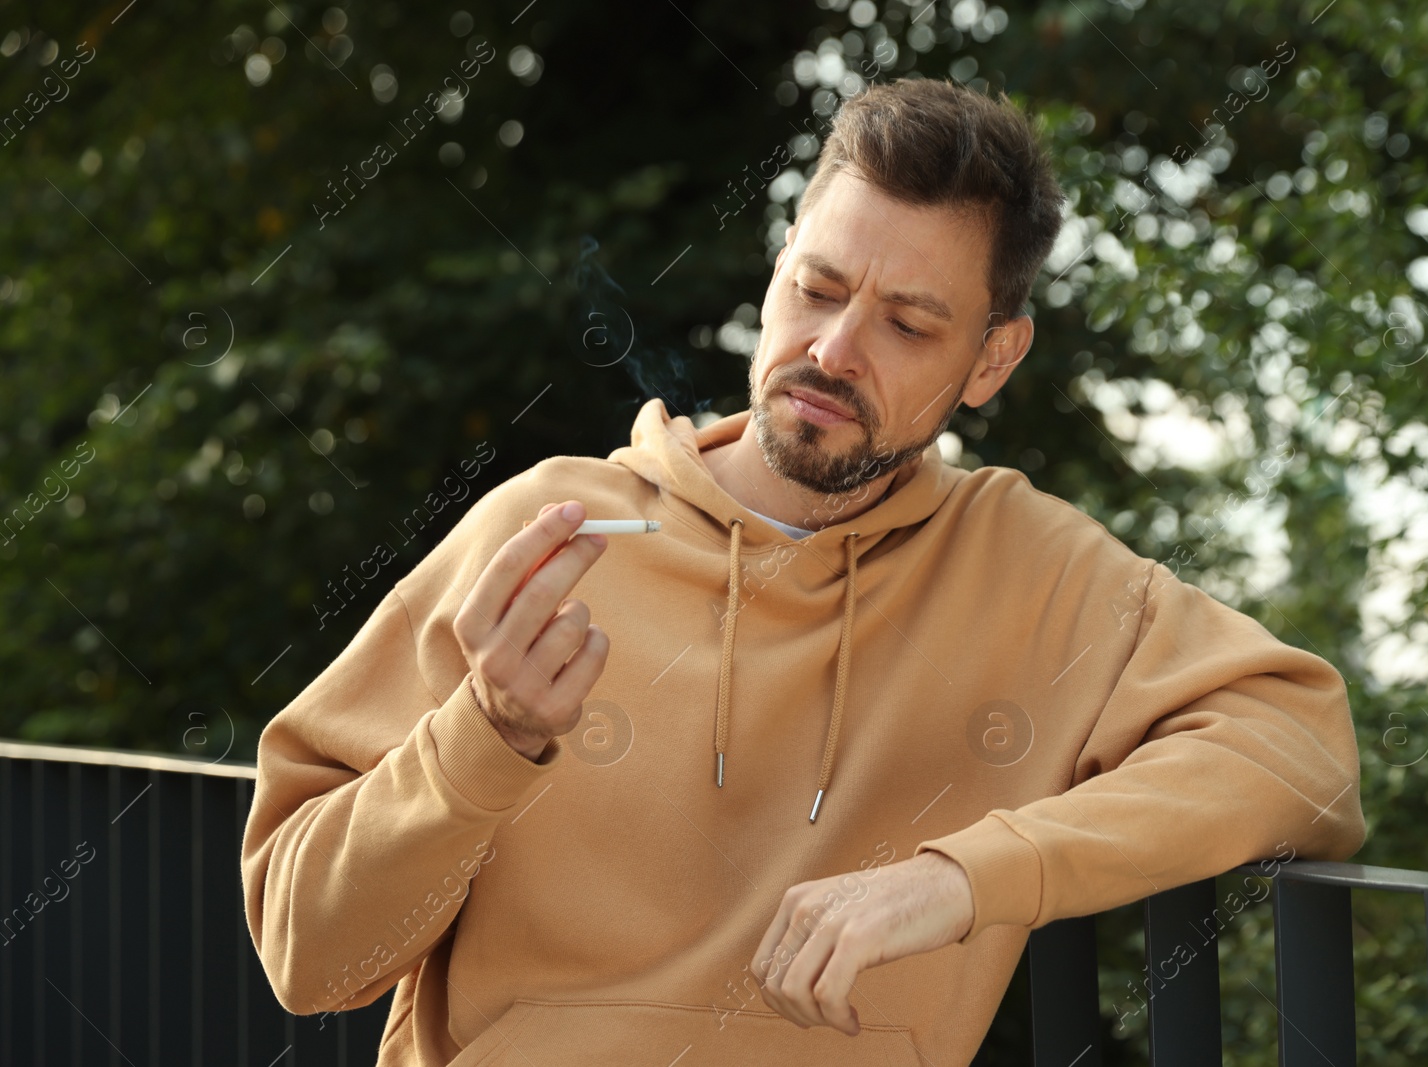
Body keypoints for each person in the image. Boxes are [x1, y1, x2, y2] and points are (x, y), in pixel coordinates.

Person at [241, 77, 1365, 1066]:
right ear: (777, 267)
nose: (833, 348)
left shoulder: (1033, 569)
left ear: (992, 359)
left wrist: (963, 877)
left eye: (908, 323)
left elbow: (1299, 748)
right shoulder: (547, 531)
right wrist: (486, 736)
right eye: (818, 288)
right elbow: (307, 956)